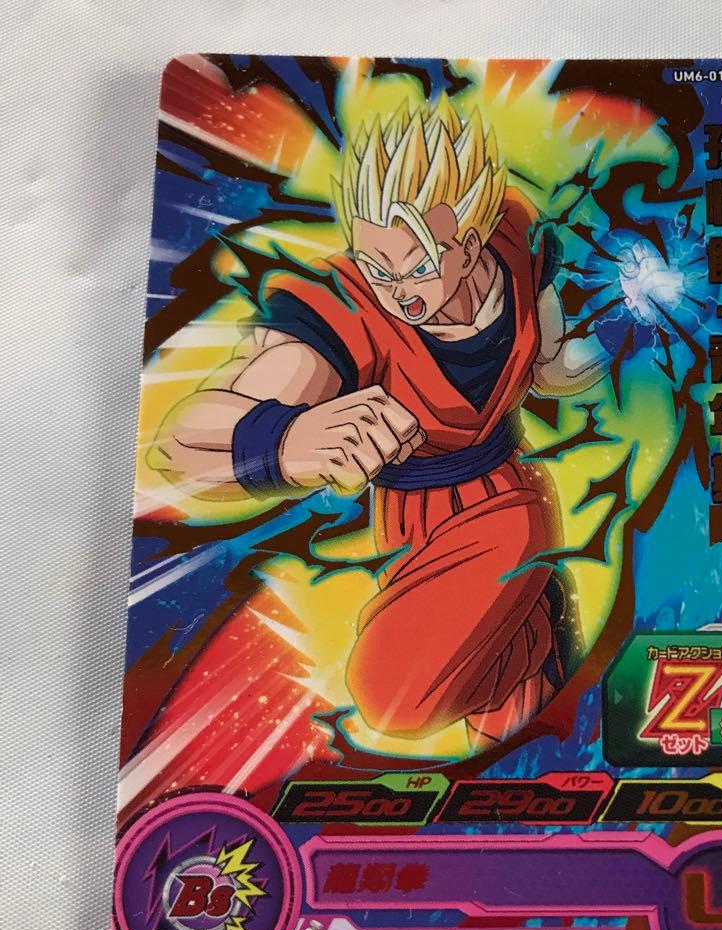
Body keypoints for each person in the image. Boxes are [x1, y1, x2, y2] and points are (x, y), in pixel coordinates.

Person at [149, 96, 605, 751]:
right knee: (504, 711)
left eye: (418, 268)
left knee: (393, 699)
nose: (400, 293)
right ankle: (535, 631)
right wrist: (286, 441)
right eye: (377, 268)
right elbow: (181, 444)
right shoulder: (347, 312)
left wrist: (614, 335)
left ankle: (531, 624)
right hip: (412, 525)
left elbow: (554, 362)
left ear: (469, 244)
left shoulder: (514, 237)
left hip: (511, 507)